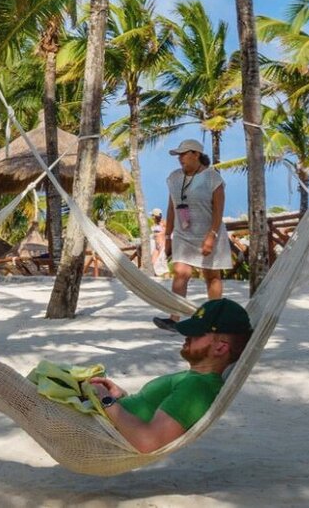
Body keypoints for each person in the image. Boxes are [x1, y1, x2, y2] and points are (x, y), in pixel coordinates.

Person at [86, 298, 254, 452]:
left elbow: (148, 441)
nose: (187, 337)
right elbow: (148, 410)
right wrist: (118, 398)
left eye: (197, 334)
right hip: (95, 421)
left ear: (221, 348)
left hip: (91, 428)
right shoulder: (195, 378)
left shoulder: (197, 388)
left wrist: (106, 400)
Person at [158, 139, 229, 310]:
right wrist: (167, 237)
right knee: (181, 274)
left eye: (184, 154)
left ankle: (213, 317)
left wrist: (211, 236)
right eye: (178, 155)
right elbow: (171, 207)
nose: (180, 158)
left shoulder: (212, 177)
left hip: (208, 233)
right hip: (183, 234)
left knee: (212, 276)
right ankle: (174, 317)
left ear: (196, 154)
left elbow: (219, 210)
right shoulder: (174, 177)